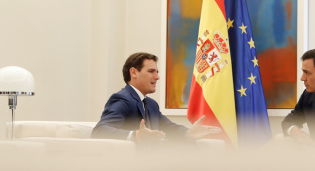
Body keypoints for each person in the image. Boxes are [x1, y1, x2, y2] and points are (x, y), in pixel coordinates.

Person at [92, 52, 220, 143]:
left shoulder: (151, 104)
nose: (157, 77)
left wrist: (188, 133)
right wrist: (135, 135)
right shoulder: (123, 99)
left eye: (157, 72)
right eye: (151, 71)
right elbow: (99, 131)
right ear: (134, 72)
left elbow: (168, 127)